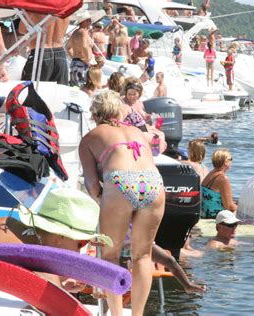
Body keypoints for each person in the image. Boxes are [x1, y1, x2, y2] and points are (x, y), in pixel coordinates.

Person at [79, 91, 165, 316]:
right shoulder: (136, 131)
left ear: (94, 114)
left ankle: (116, 315)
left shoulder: (90, 137)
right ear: (118, 111)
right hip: (154, 183)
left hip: (120, 181)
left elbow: (92, 186)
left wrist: (106, 202)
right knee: (143, 256)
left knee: (110, 255)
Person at [0, 188, 113, 292]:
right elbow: (58, 305)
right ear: (60, 236)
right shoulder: (37, 256)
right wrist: (59, 287)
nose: (79, 252)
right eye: (80, 244)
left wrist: (61, 285)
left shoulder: (6, 222)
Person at [19, 14, 70, 85]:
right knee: (58, 92)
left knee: (29, 90)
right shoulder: (65, 10)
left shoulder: (38, 7)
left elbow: (21, 29)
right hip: (60, 53)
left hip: (41, 51)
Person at [201, 149, 237, 219]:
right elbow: (229, 206)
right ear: (225, 162)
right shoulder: (222, 178)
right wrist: (239, 207)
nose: (231, 161)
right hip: (216, 216)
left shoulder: (211, 174)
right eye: (230, 159)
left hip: (206, 214)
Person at [67, 11, 93, 87]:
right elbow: (85, 46)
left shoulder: (75, 32)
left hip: (75, 62)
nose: (91, 21)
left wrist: (74, 57)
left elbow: (67, 47)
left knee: (74, 87)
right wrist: (88, 60)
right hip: (82, 63)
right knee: (81, 87)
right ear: (83, 21)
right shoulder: (83, 32)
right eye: (89, 20)